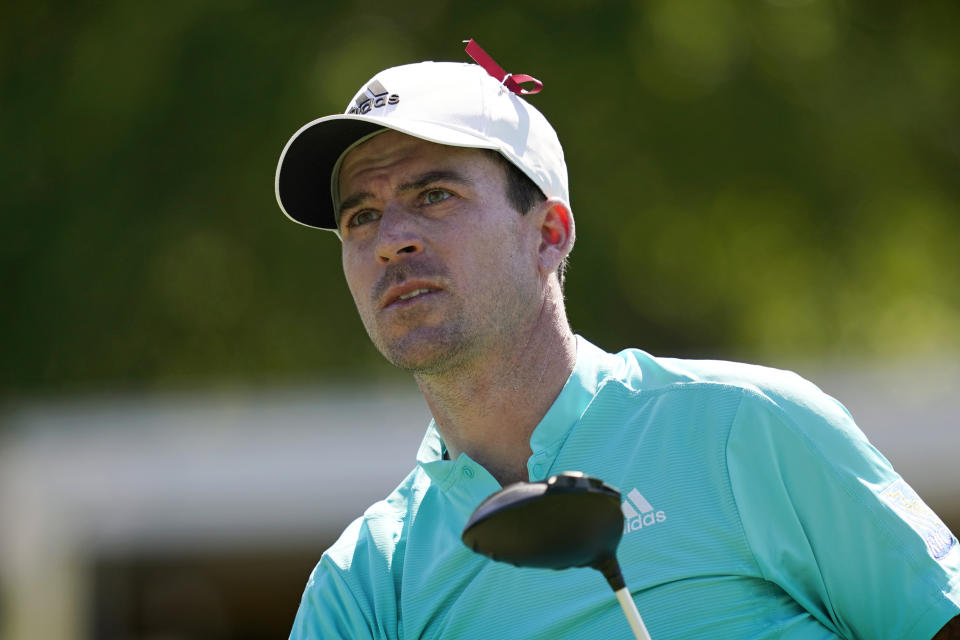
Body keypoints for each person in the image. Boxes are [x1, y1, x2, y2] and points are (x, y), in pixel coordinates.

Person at [274, 44, 960, 639]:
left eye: (434, 196)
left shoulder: (742, 425)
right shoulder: (363, 582)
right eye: (361, 215)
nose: (392, 239)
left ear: (548, 233)